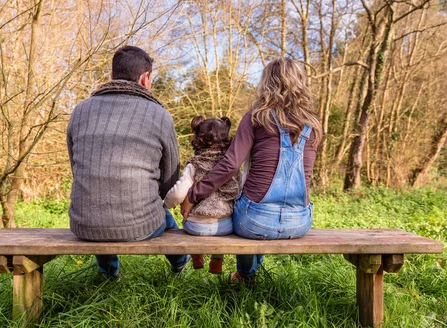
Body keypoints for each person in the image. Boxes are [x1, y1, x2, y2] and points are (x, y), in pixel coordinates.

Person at [181, 57, 322, 283]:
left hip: (254, 222)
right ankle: (247, 273)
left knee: (247, 209)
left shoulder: (256, 116)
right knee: (259, 211)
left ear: (267, 83)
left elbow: (230, 165)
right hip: (299, 222)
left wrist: (193, 194)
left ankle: (246, 274)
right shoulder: (313, 124)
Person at [67, 46, 190, 279]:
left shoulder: (80, 110)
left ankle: (108, 273)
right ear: (145, 78)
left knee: (97, 199)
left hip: (85, 224)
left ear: (112, 76)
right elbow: (170, 180)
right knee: (165, 216)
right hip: (142, 226)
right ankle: (180, 265)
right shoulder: (159, 114)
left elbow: (77, 168)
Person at [164, 116, 241, 274]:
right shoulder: (232, 166)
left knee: (188, 221)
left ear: (199, 139)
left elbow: (178, 194)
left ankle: (196, 254)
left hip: (196, 226)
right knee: (220, 230)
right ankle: (217, 260)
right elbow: (239, 191)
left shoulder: (195, 164)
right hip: (225, 225)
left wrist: (167, 204)